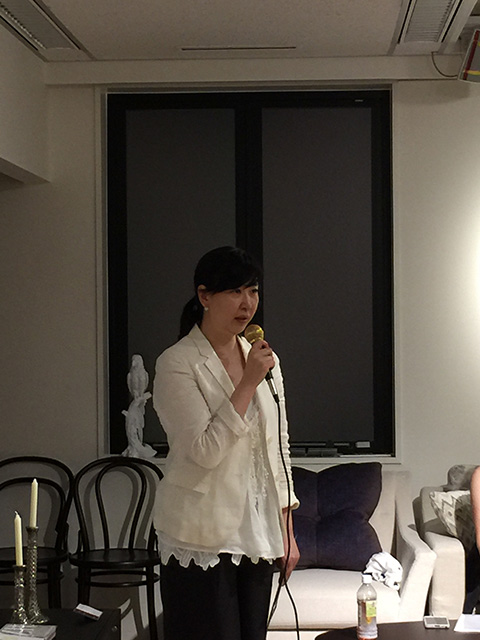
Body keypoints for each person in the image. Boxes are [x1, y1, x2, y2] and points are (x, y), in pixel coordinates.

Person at [152, 246, 300, 640]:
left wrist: (287, 530)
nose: (247, 303)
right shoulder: (177, 362)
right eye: (235, 291)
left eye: (253, 291)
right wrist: (248, 382)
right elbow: (203, 450)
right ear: (204, 296)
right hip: (200, 536)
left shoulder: (263, 359)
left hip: (258, 533)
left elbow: (278, 448)